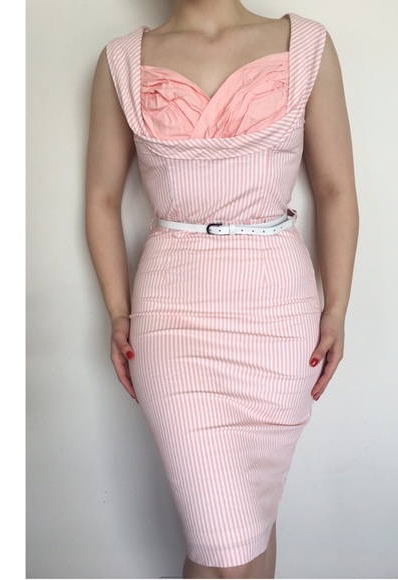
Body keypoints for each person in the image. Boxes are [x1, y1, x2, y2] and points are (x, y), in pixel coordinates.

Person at [85, 1, 358, 578]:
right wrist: (116, 311)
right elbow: (102, 199)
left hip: (280, 316)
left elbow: (335, 188)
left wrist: (336, 308)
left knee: (252, 523)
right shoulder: (121, 61)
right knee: (222, 547)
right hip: (172, 319)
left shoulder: (307, 44)